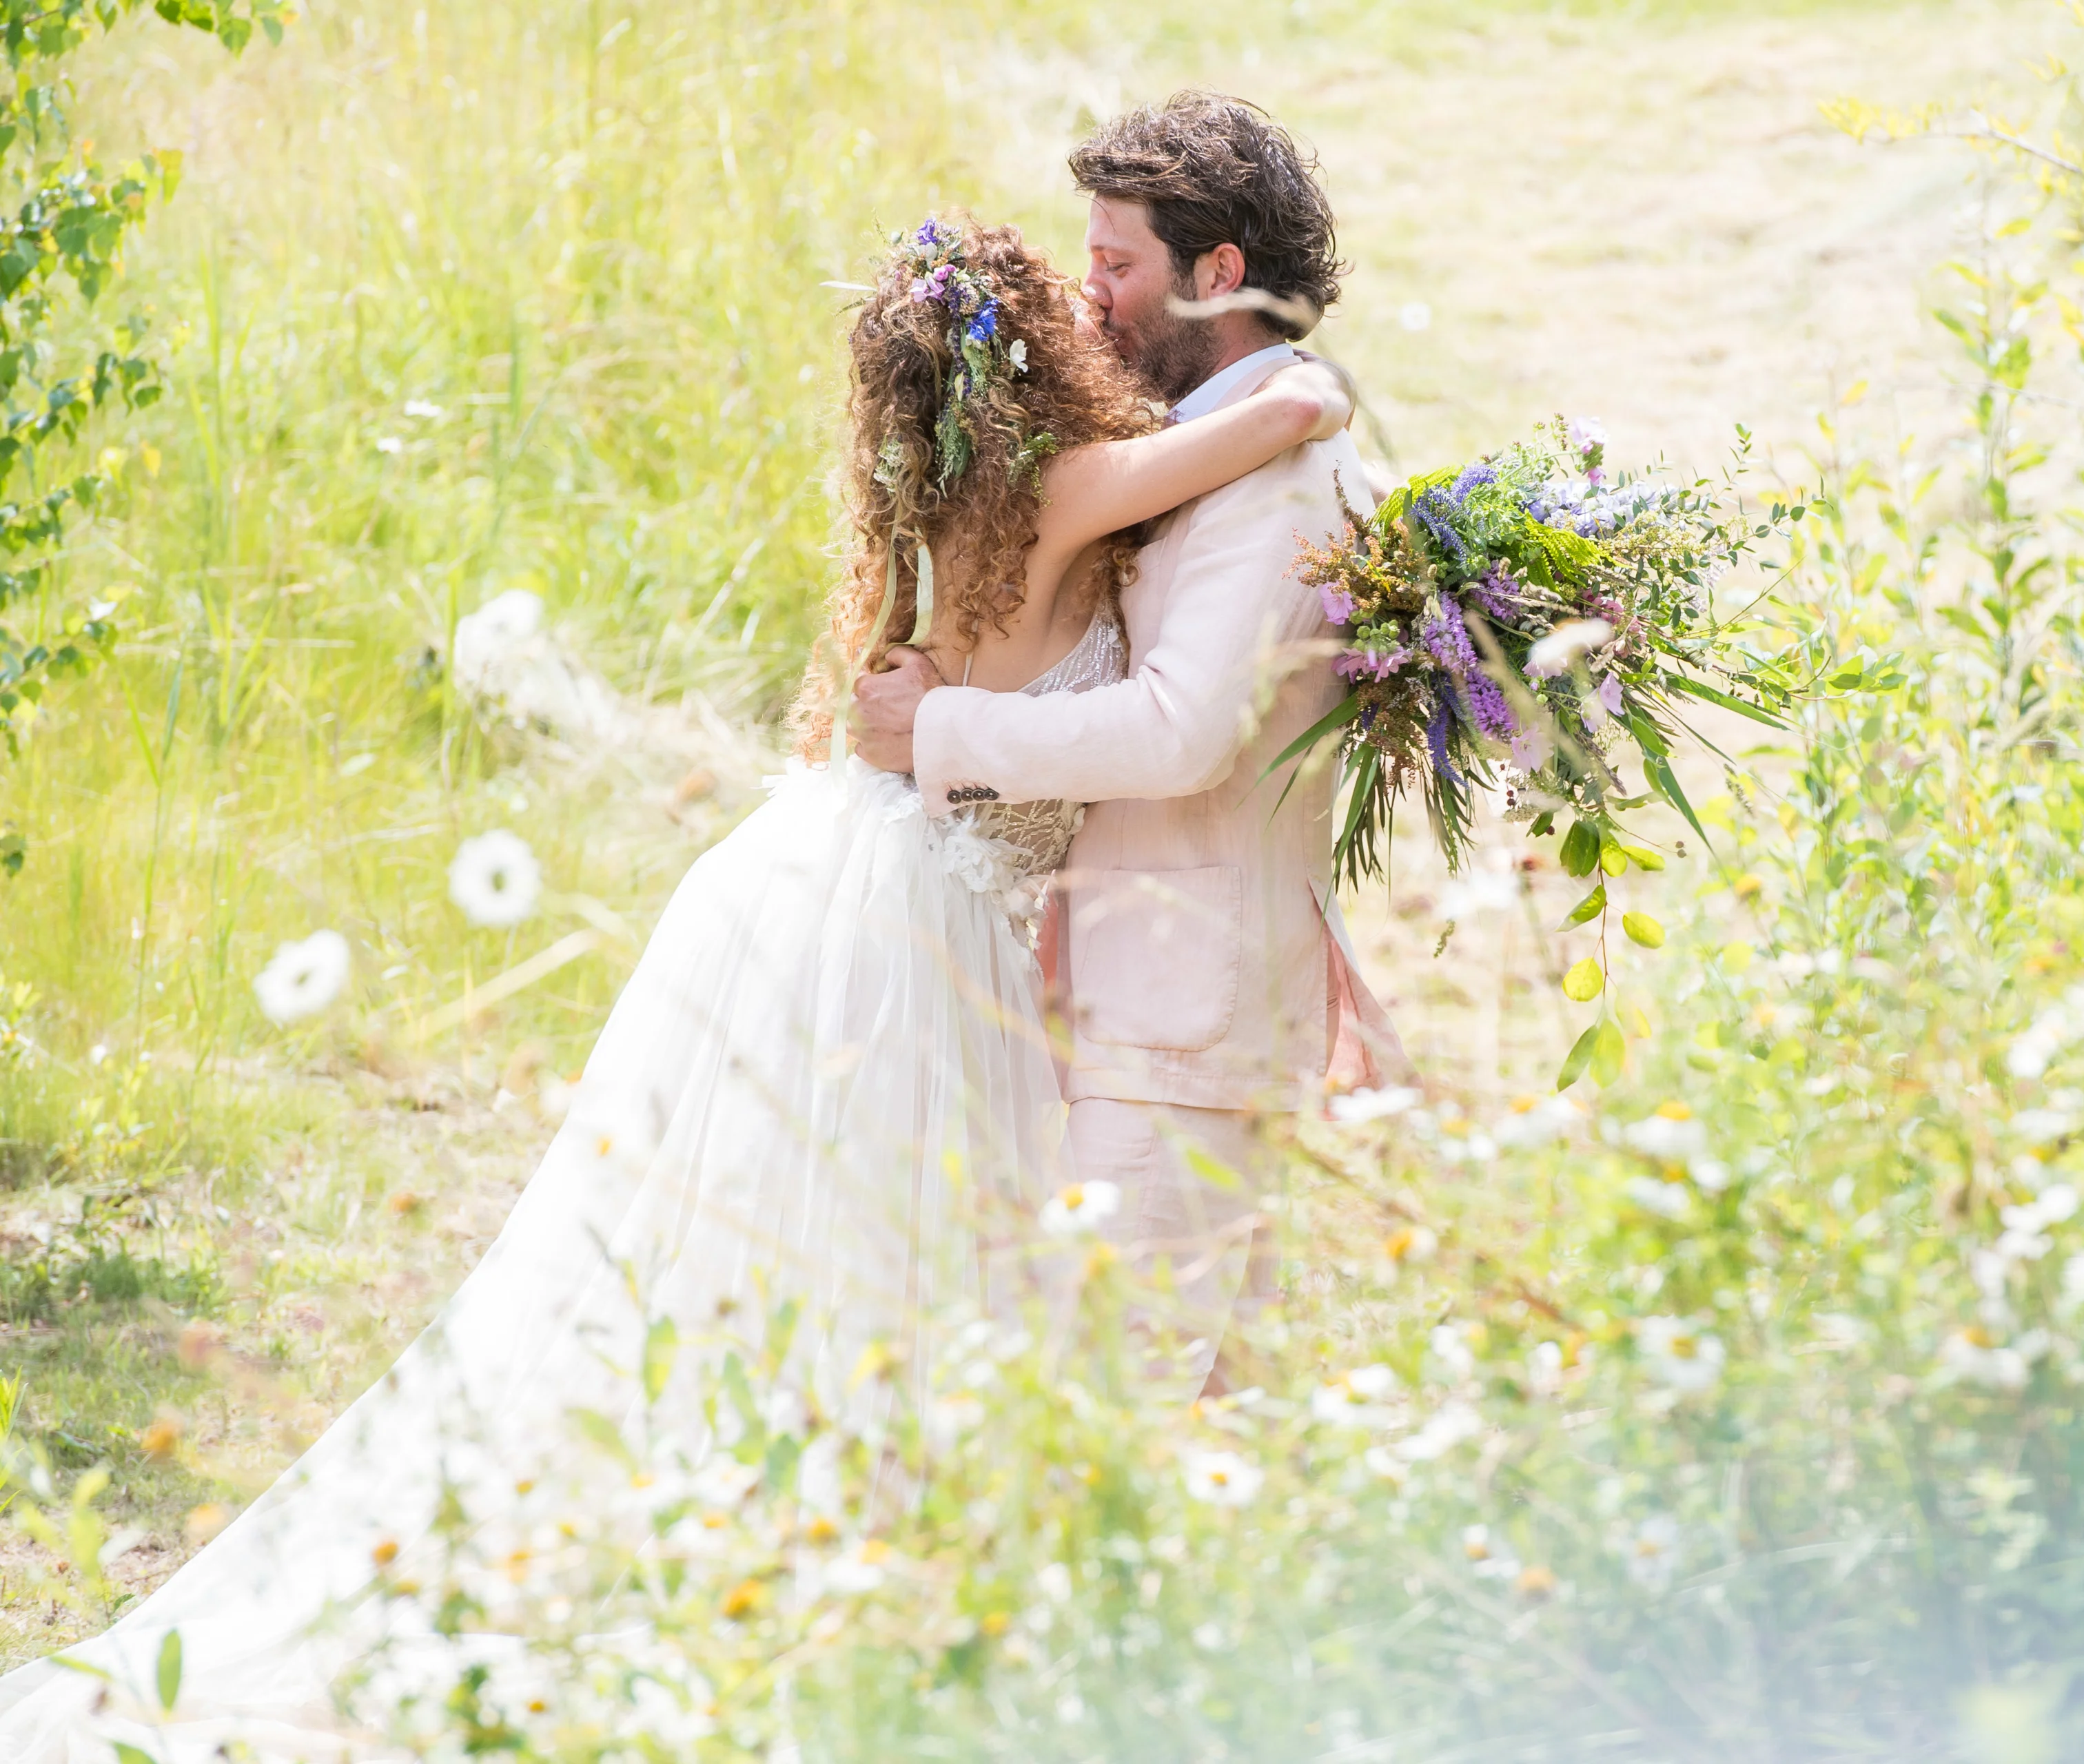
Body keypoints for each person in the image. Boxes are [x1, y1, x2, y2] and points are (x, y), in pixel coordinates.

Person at [0, 211, 1360, 1758]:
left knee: (799, 1249)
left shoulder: (961, 489)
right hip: (920, 902)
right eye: (1069, 298)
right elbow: (1297, 409)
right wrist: (1301, 374)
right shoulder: (1065, 486)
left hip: (845, 873)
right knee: (887, 1261)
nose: (1095, 311)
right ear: (1026, 355)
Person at [852, 93, 1409, 1384]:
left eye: (1118, 265)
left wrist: (938, 726)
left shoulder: (1277, 475)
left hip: (1179, 1032)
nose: (1088, 296)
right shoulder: (1195, 451)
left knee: (1102, 1436)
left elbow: (1179, 733)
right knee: (1207, 1424)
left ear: (1219, 275)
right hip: (1142, 1016)